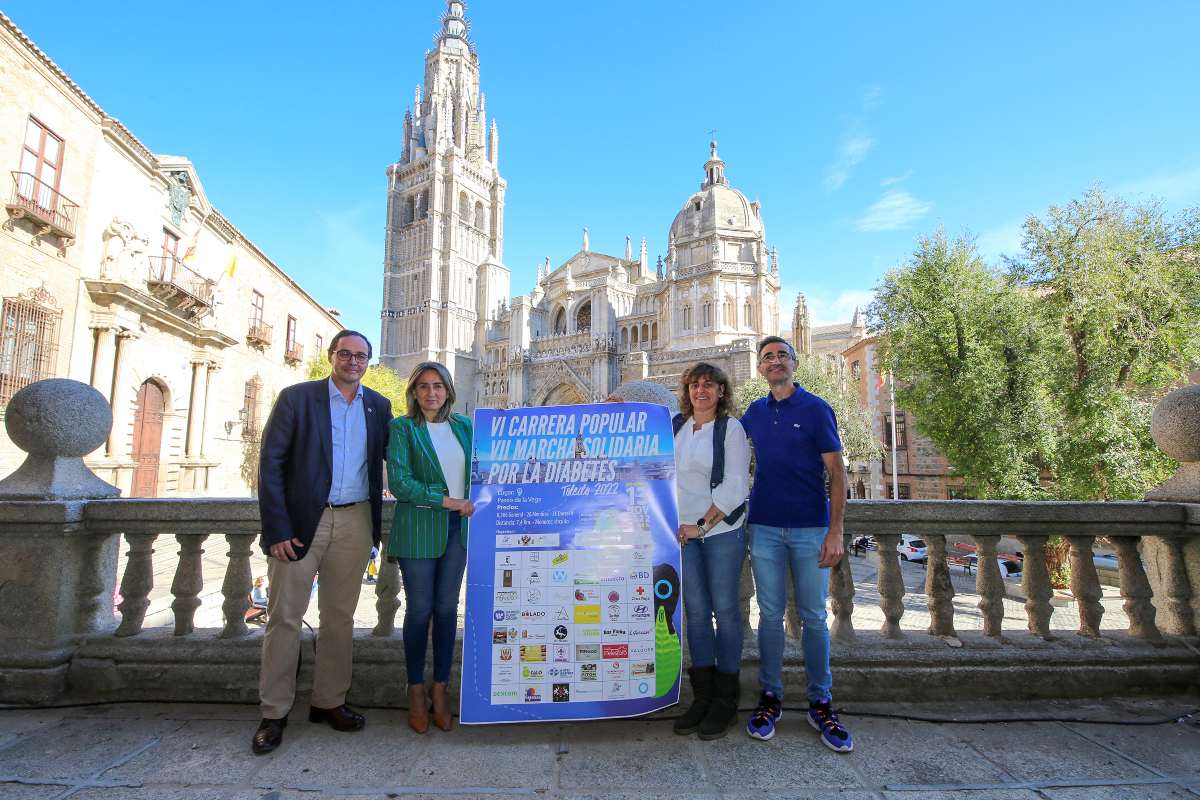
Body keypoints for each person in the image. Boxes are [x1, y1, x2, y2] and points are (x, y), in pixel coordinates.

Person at [252, 330, 392, 755]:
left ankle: (328, 701)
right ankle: (274, 712)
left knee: (339, 618)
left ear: (368, 361)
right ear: (332, 356)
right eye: (345, 354)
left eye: (361, 356)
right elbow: (270, 464)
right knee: (284, 619)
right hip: (300, 524)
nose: (353, 361)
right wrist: (276, 529)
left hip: (355, 521)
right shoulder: (297, 398)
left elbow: (400, 456)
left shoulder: (378, 405)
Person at [739, 335, 853, 752]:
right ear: (760, 368)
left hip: (809, 528)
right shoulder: (754, 412)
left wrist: (836, 530)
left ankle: (820, 701)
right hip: (764, 526)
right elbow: (710, 432)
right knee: (769, 616)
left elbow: (838, 476)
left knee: (814, 617)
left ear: (794, 363)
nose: (774, 362)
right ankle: (771, 697)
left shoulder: (817, 408)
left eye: (781, 355)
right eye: (767, 357)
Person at [387, 361, 474, 733]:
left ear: (449, 390)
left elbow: (490, 462)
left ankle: (441, 689)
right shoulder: (403, 428)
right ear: (414, 392)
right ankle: (415, 690)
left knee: (446, 609)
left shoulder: (465, 427)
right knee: (420, 610)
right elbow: (400, 483)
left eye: (438, 386)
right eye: (423, 386)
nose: (431, 392)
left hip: (460, 532)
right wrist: (448, 501)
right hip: (420, 527)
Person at [670, 362, 751, 740]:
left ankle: (725, 702)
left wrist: (701, 525)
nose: (700, 391)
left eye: (709, 385)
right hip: (683, 535)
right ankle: (701, 699)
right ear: (687, 391)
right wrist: (615, 405)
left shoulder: (730, 429)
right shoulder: (676, 427)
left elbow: (736, 485)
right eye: (694, 385)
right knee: (697, 614)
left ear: (721, 391)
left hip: (719, 531)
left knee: (726, 611)